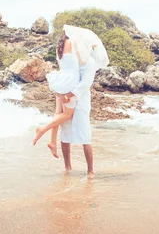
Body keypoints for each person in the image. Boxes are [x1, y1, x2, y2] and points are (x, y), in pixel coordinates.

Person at [35, 24, 109, 178]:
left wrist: (70, 93)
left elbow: (85, 84)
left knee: (84, 135)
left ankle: (90, 170)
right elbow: (74, 76)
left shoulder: (89, 63)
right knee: (66, 132)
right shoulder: (78, 60)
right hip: (68, 94)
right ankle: (67, 166)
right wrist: (67, 93)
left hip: (80, 100)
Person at [32, 31, 80, 158]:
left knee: (58, 113)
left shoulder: (59, 47)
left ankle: (52, 142)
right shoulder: (71, 43)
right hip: (69, 81)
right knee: (67, 114)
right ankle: (42, 129)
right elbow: (81, 59)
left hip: (61, 80)